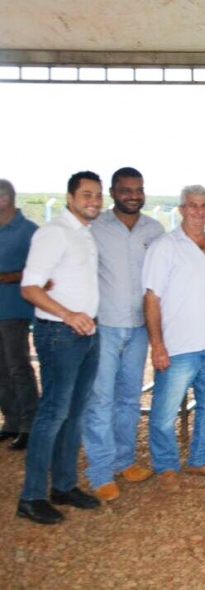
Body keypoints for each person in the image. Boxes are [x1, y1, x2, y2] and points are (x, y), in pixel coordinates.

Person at [17, 171, 104, 525]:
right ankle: (32, 495)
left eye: (98, 195)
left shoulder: (84, 234)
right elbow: (30, 287)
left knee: (74, 413)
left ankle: (64, 485)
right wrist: (68, 315)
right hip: (60, 334)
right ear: (69, 197)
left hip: (86, 333)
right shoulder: (53, 233)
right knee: (52, 413)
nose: (94, 201)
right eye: (86, 194)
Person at [82, 167, 164, 502]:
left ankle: (124, 460)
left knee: (129, 398)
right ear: (113, 192)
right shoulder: (94, 228)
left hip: (140, 326)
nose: (133, 195)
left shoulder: (155, 229)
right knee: (100, 399)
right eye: (126, 189)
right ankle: (100, 472)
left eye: (139, 189)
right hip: (104, 326)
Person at [143, 185, 205, 492]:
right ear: (181, 209)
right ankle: (166, 465)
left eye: (204, 205)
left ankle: (199, 459)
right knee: (165, 411)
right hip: (178, 345)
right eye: (193, 205)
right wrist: (157, 344)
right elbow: (152, 298)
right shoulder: (165, 246)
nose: (199, 210)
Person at [0, 179, 39, 450]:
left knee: (18, 367)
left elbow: (42, 271)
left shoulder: (29, 231)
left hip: (14, 309)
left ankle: (30, 425)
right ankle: (11, 421)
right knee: (1, 370)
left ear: (5, 198)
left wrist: (9, 276)